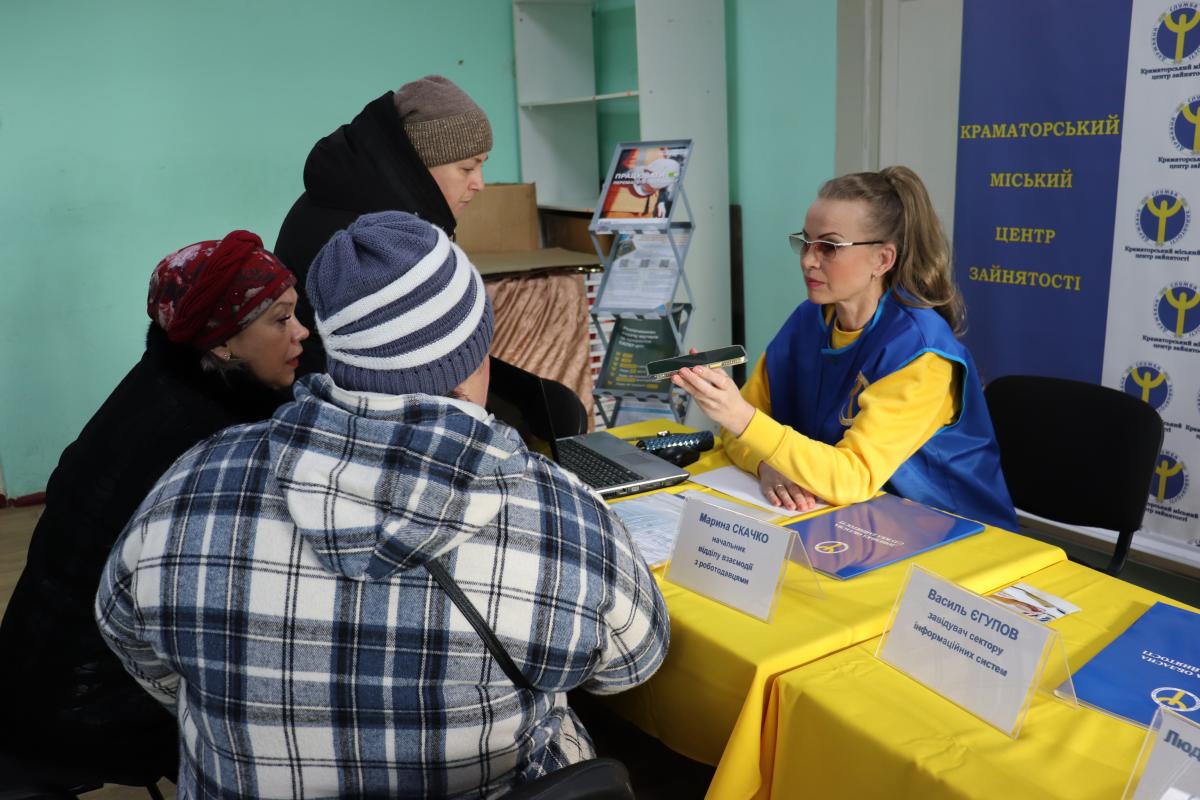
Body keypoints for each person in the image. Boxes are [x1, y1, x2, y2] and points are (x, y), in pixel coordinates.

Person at [96, 211, 669, 798]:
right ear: (471, 359)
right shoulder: (557, 512)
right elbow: (633, 663)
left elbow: (126, 631)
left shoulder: (194, 478)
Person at [0, 231, 307, 779]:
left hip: (32, 671)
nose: (301, 332)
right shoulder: (205, 441)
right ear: (223, 344)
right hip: (86, 702)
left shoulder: (165, 383)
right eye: (281, 320)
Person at [672, 166, 1017, 531]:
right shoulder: (808, 320)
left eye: (829, 247)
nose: (808, 260)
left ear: (883, 260)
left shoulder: (922, 354)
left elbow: (853, 477)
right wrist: (765, 465)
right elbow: (737, 431)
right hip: (851, 519)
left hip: (951, 534)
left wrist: (740, 417)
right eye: (805, 242)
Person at [274, 74, 491, 376]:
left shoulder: (359, 196)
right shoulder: (370, 234)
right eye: (467, 168)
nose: (479, 183)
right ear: (418, 164)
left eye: (482, 165)